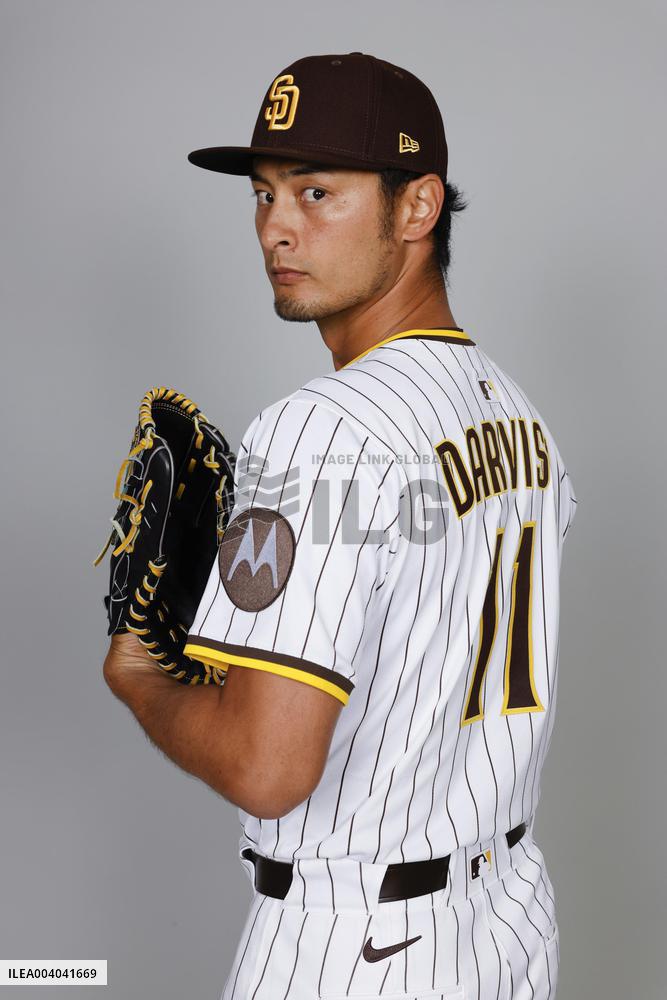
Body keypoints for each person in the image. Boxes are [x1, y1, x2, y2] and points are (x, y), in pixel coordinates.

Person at [104, 51, 577, 1000]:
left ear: (416, 207)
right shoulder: (522, 422)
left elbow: (268, 767)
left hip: (352, 949)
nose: (276, 226)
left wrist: (142, 676)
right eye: (266, 193)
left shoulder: (319, 428)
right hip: (507, 922)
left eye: (317, 192)